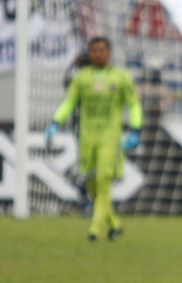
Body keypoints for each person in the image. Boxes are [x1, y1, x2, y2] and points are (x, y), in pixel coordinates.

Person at [45, 37, 143, 242]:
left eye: (102, 50)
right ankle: (114, 224)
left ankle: (94, 228)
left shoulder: (121, 77)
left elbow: (134, 105)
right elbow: (69, 103)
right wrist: (55, 123)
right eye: (95, 50)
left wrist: (135, 129)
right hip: (87, 138)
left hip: (110, 137)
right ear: (90, 53)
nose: (99, 54)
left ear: (110, 53)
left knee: (103, 180)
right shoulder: (82, 78)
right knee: (92, 185)